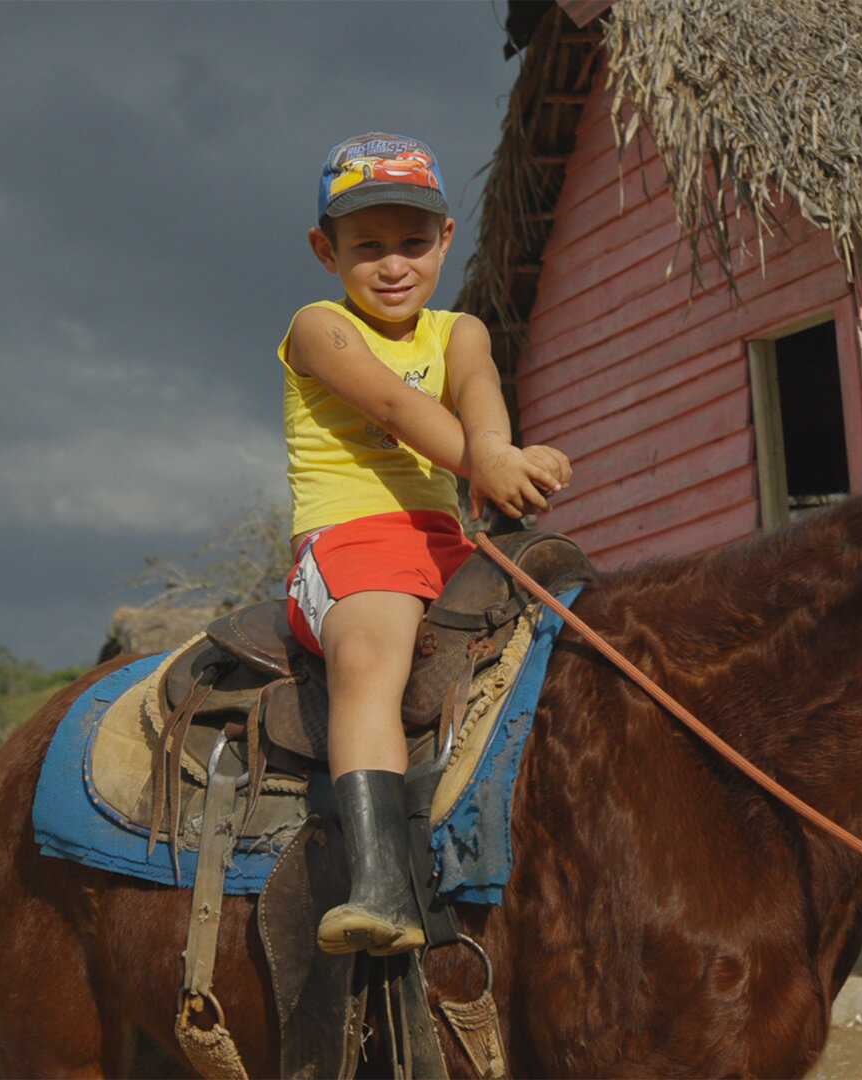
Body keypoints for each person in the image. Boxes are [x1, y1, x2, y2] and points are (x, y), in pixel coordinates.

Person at [279, 133, 572, 955]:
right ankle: (378, 885)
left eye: (414, 241)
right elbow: (397, 410)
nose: (393, 264)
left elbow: (480, 400)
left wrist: (505, 458)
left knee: (564, 628)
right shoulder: (319, 328)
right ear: (324, 251)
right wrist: (490, 462)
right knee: (374, 654)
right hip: (350, 542)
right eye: (366, 246)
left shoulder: (460, 332)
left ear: (447, 240)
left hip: (447, 542)